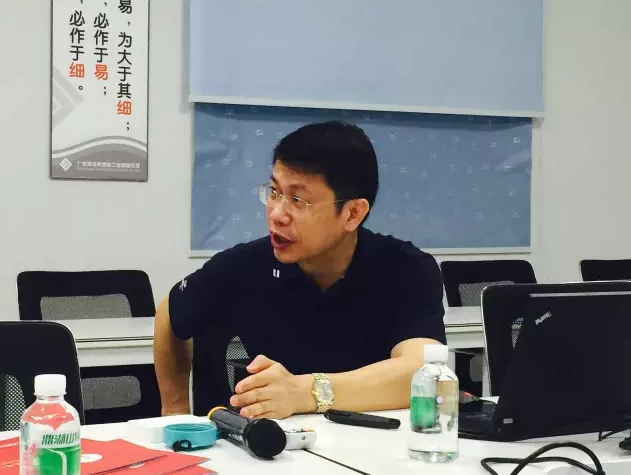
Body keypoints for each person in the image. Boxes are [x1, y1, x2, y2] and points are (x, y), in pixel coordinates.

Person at [154, 121, 446, 420]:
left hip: (372, 440)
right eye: (274, 192)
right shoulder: (241, 267)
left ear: (352, 213)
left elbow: (424, 372)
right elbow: (169, 314)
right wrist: (174, 410)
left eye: (297, 200)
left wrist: (304, 392)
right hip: (273, 442)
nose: (277, 214)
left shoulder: (405, 269)